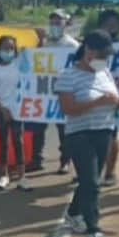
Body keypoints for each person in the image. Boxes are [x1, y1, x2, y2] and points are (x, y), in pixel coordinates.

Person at [56, 30, 119, 237]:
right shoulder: (68, 75)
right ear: (88, 51)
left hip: (104, 131)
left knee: (88, 181)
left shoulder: (105, 72)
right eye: (102, 54)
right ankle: (93, 231)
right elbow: (68, 109)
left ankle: (74, 213)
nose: (105, 59)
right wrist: (98, 101)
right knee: (92, 183)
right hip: (79, 134)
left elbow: (114, 102)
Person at [28, 9, 81, 174]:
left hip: (64, 93)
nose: (54, 26)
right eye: (52, 22)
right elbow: (34, 59)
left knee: (63, 130)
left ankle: (65, 161)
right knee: (38, 128)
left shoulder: (73, 45)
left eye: (58, 22)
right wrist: (39, 41)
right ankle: (37, 159)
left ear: (66, 24)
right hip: (44, 93)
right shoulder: (46, 43)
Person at [0, 35, 32, 192]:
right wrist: (2, 110)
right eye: (5, 48)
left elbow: (40, 63)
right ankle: (4, 176)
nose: (8, 51)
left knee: (19, 142)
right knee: (3, 143)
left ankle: (22, 177)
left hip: (18, 112)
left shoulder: (20, 65)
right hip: (2, 112)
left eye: (11, 48)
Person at [97, 9, 119, 186]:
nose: (111, 27)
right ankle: (89, 172)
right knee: (90, 137)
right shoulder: (90, 43)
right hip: (93, 96)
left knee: (112, 136)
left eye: (114, 23)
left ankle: (110, 172)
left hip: (115, 96)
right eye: (108, 23)